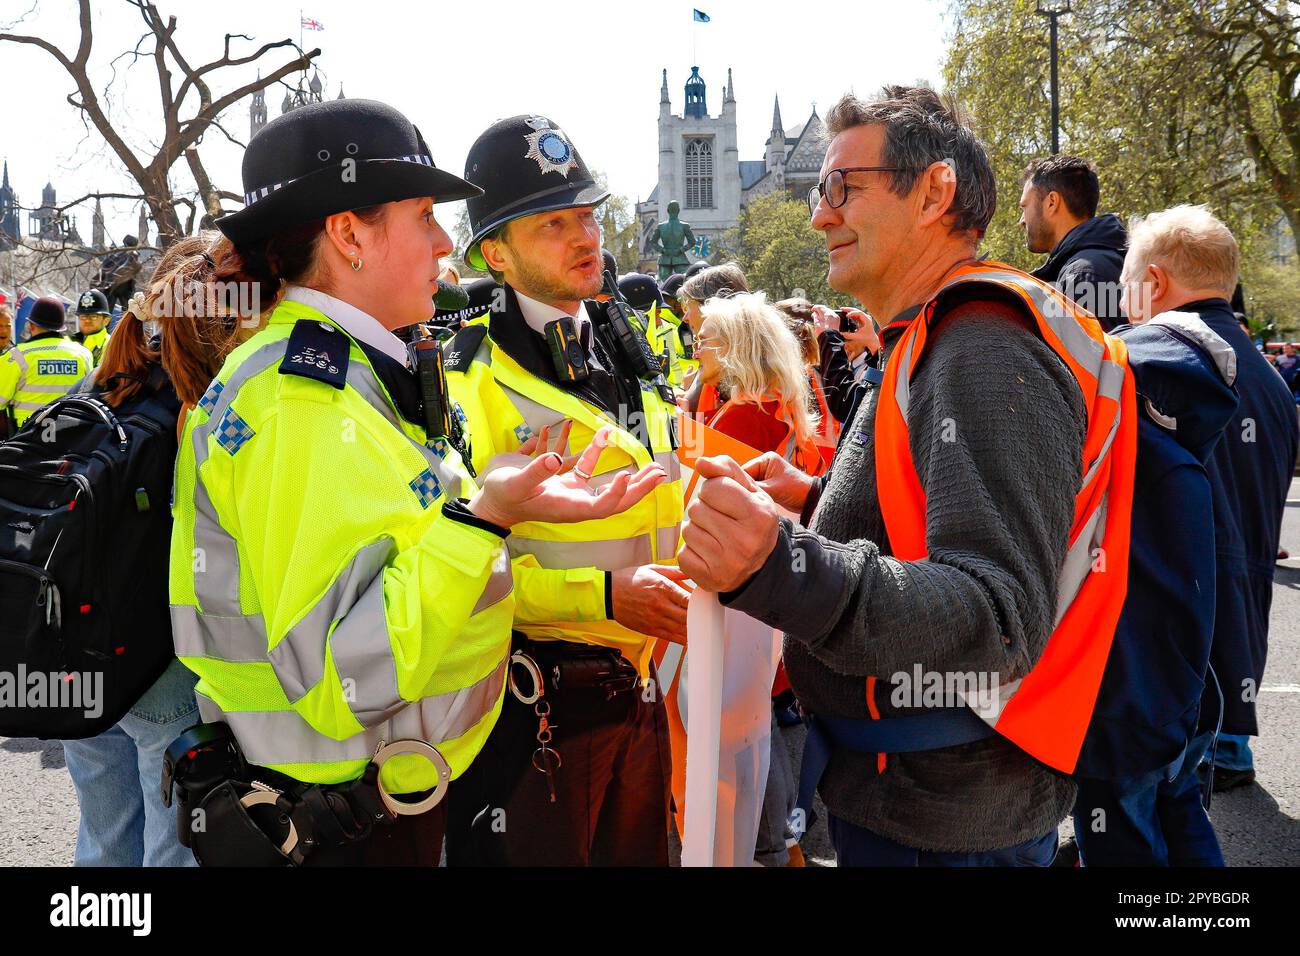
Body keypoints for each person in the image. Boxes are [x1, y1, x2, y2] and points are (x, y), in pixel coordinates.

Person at [171, 99, 662, 867]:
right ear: (348, 234)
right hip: (348, 818)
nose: (444, 243)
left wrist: (492, 502)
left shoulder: (344, 377)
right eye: (426, 215)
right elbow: (346, 672)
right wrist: (485, 520)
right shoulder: (305, 401)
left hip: (370, 800)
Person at [680, 85, 1139, 867]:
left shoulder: (983, 341)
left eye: (841, 188)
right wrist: (813, 501)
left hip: (945, 821)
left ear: (934, 192)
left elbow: (995, 613)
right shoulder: (930, 331)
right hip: (912, 797)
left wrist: (779, 564)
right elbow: (929, 522)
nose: (820, 213)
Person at [442, 113, 684, 867]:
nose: (587, 237)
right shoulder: (461, 375)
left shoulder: (624, 343)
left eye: (587, 216)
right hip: (536, 707)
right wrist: (604, 598)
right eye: (554, 223)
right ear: (496, 253)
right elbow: (456, 566)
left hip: (643, 691)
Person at [58, 235, 242, 867]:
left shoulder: (98, 385)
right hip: (161, 660)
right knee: (177, 846)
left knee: (104, 838)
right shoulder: (211, 406)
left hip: (73, 652)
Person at [1126, 206, 1297, 794]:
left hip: (1168, 655)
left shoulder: (1150, 365)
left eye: (1128, 287)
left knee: (1151, 812)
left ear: (1154, 284)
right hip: (1236, 637)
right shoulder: (1272, 381)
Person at [694, 292, 823, 476]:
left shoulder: (745, 416)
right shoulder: (768, 404)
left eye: (702, 341)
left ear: (734, 346)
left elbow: (711, 492)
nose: (696, 353)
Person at [1019, 155, 1128, 330]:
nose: (1022, 220)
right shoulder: (1107, 261)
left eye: (1025, 207)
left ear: (1051, 202)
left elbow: (1091, 356)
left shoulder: (1083, 275)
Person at [0, 294, 93, 432]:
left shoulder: (15, 356)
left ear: (31, 325)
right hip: (72, 437)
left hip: (27, 438)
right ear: (61, 327)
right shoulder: (83, 354)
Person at [73, 287, 114, 364]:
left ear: (106, 320)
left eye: (93, 316)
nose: (87, 320)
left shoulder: (112, 345)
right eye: (83, 316)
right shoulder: (70, 343)